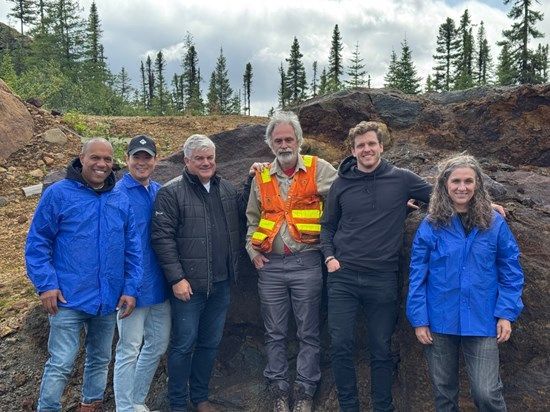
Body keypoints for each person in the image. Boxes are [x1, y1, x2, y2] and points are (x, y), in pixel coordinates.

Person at [320, 121, 433, 412]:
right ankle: (349, 407)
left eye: (371, 143)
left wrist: (485, 206)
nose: (366, 149)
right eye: (360, 145)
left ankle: (383, 407)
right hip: (343, 277)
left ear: (381, 146)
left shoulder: (402, 179)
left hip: (382, 277)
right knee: (340, 345)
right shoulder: (341, 184)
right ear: (353, 150)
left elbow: (443, 196)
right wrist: (330, 258)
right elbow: (328, 226)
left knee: (381, 348)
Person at [25, 138, 142, 412]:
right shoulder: (58, 194)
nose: (102, 164)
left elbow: (132, 248)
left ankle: (90, 405)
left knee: (100, 359)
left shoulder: (119, 198)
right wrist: (46, 284)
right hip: (67, 298)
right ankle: (48, 408)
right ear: (82, 158)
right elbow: (38, 242)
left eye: (107, 159)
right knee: (61, 361)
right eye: (95, 158)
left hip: (106, 299)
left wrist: (130, 288)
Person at [406, 154, 524, 411]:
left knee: (487, 393)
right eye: (456, 181)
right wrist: (419, 319)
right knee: (444, 394)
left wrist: (506, 314)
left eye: (468, 181)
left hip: (482, 318)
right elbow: (417, 274)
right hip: (439, 318)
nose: (462, 187)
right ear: (445, 185)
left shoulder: (494, 222)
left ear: (477, 184)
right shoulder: (431, 224)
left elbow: (511, 270)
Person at [246, 111, 338, 412]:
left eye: (289, 139)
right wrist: (252, 252)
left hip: (307, 262)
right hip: (270, 266)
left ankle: (305, 391)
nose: (284, 145)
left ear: (298, 140)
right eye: (278, 140)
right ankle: (279, 390)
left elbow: (348, 193)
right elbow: (252, 219)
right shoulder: (261, 176)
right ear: (270, 144)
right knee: (274, 332)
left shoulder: (319, 169)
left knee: (308, 331)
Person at [151, 134, 244, 412]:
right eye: (199, 158)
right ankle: (178, 403)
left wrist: (253, 180)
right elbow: (162, 239)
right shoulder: (170, 192)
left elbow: (244, 215)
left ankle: (200, 397)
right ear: (186, 160)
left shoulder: (226, 189)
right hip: (188, 288)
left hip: (221, 283)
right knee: (182, 346)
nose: (206, 163)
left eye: (210, 158)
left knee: (210, 344)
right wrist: (176, 278)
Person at [113, 135, 171, 412]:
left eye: (147, 157)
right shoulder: (117, 194)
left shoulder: (160, 192)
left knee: (157, 344)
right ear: (127, 159)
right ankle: (124, 407)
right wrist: (125, 286)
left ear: (156, 161)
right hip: (131, 288)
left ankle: (136, 401)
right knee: (128, 349)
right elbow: (114, 246)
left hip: (159, 285)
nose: (142, 162)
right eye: (136, 157)